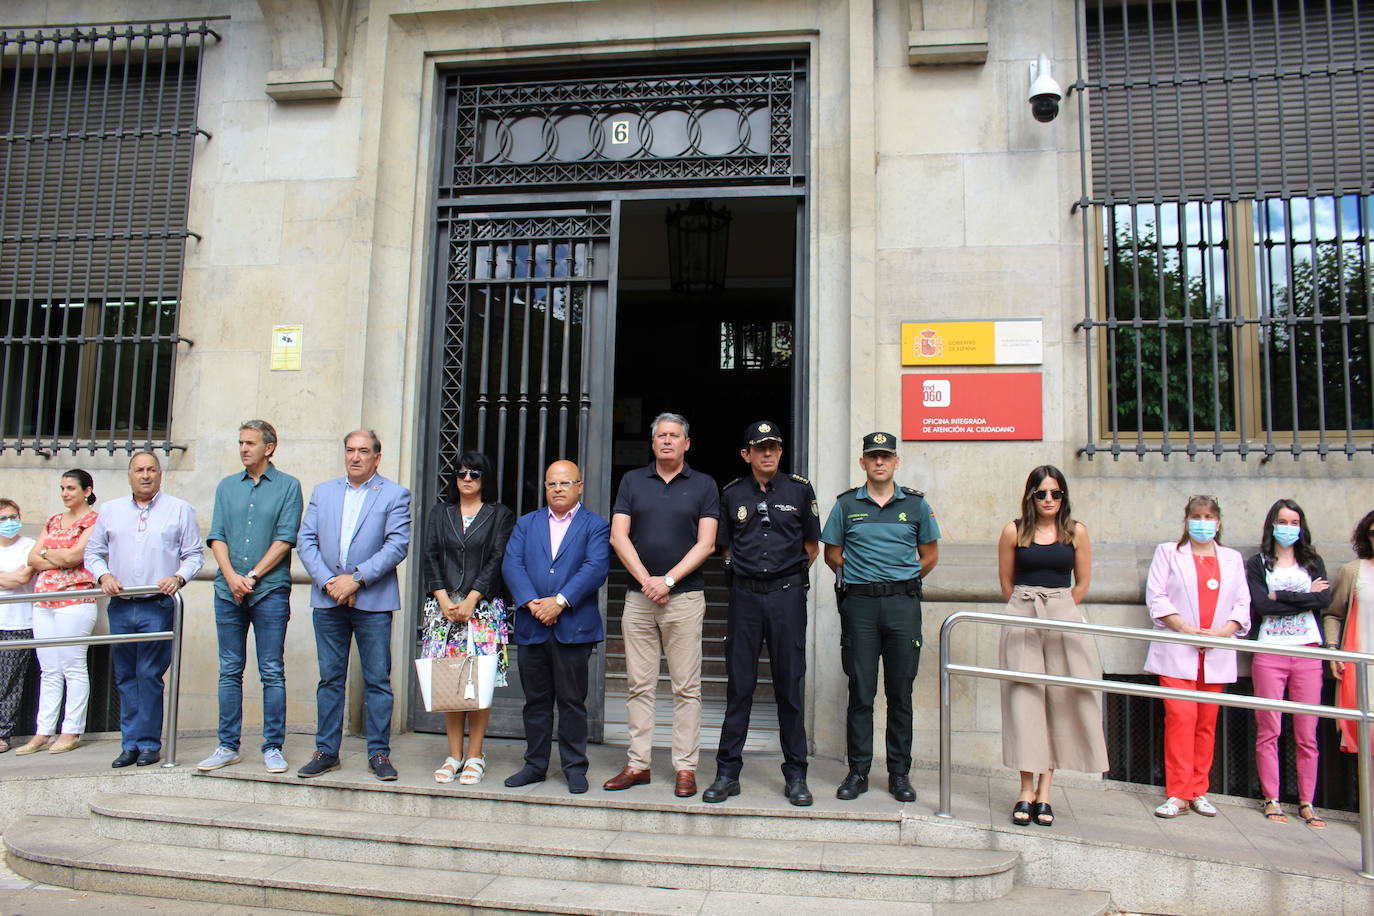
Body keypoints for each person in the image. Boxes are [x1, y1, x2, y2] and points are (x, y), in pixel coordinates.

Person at [704, 421, 819, 807]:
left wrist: (784, 578)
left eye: (773, 447)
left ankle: (796, 774)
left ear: (781, 452)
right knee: (739, 687)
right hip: (746, 599)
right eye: (760, 447)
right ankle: (727, 773)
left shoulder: (800, 490)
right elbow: (725, 548)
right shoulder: (732, 493)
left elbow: (811, 546)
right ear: (746, 454)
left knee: (789, 686)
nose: (767, 453)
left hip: (786, 597)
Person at [605, 412, 719, 798]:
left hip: (684, 599)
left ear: (687, 443)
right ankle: (638, 764)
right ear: (652, 443)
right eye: (661, 435)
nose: (667, 440)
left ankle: (685, 767)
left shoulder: (704, 484)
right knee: (639, 685)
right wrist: (647, 581)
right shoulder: (632, 481)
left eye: (674, 435)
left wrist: (667, 580)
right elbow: (619, 536)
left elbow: (707, 543)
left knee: (686, 687)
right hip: (639, 598)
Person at [821, 431, 939, 804]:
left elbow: (930, 556)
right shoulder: (846, 505)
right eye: (873, 456)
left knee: (900, 693)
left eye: (885, 456)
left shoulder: (916, 505)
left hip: (903, 605)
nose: (879, 462)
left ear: (895, 462)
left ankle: (899, 774)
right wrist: (865, 576)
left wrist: (899, 577)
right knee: (861, 691)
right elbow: (832, 555)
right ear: (863, 462)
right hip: (861, 606)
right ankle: (857, 772)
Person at [996, 467, 1109, 827]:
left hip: (1062, 613)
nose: (1048, 500)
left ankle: (1045, 792)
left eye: (1055, 493)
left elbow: (1083, 582)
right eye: (1042, 493)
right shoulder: (1014, 531)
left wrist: (1060, 608)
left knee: (1059, 702)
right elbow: (1006, 582)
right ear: (1030, 495)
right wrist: (1025, 609)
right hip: (1023, 612)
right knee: (1024, 702)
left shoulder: (1076, 532)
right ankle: (1025, 789)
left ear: (1064, 497)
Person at [296, 430, 411, 781]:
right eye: (350, 450)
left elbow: (397, 545)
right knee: (330, 679)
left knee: (377, 680)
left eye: (363, 451)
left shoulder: (394, 494)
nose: (355, 457)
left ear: (377, 457)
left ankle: (379, 753)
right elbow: (306, 540)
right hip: (328, 598)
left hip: (372, 601)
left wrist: (356, 580)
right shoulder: (323, 492)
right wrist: (329, 582)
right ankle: (326, 751)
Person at [198, 420, 303, 775]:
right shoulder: (227, 486)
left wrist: (253, 576)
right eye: (241, 442)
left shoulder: (288, 486)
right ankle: (227, 745)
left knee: (271, 670)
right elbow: (217, 536)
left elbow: (285, 538)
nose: (243, 448)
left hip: (269, 591)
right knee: (229, 669)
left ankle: (273, 746)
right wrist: (231, 577)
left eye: (250, 443)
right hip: (227, 591)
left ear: (269, 448)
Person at [86, 454, 203, 767]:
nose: (146, 475)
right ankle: (130, 744)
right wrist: (104, 576)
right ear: (129, 475)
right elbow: (93, 553)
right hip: (121, 606)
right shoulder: (110, 510)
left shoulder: (179, 509)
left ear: (160, 475)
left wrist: (178, 577)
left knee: (149, 675)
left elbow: (194, 555)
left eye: (152, 469)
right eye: (139, 470)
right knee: (125, 676)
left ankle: (149, 743)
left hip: (157, 605)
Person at [502, 459, 611, 794]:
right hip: (532, 623)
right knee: (535, 702)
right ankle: (535, 765)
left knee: (572, 701)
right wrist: (531, 601)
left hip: (573, 628)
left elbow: (595, 567)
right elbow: (512, 564)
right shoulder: (526, 523)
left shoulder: (596, 525)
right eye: (552, 484)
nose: (558, 489)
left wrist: (560, 601)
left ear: (580, 487)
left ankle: (574, 768)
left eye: (565, 483)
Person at [1144, 494, 1250, 820]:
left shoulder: (1232, 558)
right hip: (1179, 649)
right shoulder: (1168, 552)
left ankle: (1198, 790)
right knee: (1181, 718)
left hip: (1216, 652)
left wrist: (1222, 633)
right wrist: (1186, 629)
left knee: (1206, 723)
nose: (1202, 522)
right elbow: (1157, 597)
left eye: (1208, 517)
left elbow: (1242, 603)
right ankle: (1178, 793)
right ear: (1186, 520)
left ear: (1218, 522)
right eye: (1196, 516)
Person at [420, 452, 514, 786]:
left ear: (485, 478)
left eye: (475, 473)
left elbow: (497, 558)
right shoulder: (440, 513)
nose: (468, 479)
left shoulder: (500, 515)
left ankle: (475, 754)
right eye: (461, 473)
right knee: (449, 680)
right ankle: (453, 755)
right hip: (444, 610)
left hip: (483, 610)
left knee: (479, 681)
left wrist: (473, 598)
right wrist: (444, 599)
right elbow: (430, 556)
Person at [1245, 498, 1332, 827]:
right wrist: (1305, 596)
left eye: (1294, 522)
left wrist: (1281, 595)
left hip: (1307, 651)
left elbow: (1324, 599)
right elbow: (1262, 606)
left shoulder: (1312, 561)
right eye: (1282, 522)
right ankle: (1272, 798)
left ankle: (1307, 802)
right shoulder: (1258, 564)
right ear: (1272, 525)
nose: (1288, 528)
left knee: (1307, 734)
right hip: (1270, 651)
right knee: (1269, 730)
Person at [19, 472, 99, 757]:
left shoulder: (94, 521)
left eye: (71, 488)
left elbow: (74, 557)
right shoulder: (53, 520)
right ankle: (43, 731)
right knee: (49, 669)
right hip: (44, 599)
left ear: (86, 491)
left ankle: (71, 730)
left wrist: (49, 553)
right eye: (62, 488)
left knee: (73, 667)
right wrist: (58, 555)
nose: (65, 493)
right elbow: (31, 557)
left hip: (75, 599)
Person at [1324, 509, 1374, 756]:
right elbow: (1333, 614)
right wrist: (1333, 649)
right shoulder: (1353, 571)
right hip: (1363, 669)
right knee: (1367, 739)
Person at [0, 498, 36, 753]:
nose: (9, 522)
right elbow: (13, 578)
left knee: (9, 683)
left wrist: (11, 578)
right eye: (3, 519)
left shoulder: (30, 547)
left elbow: (23, 577)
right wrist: (8, 578)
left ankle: (2, 733)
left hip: (18, 623)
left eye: (13, 517)